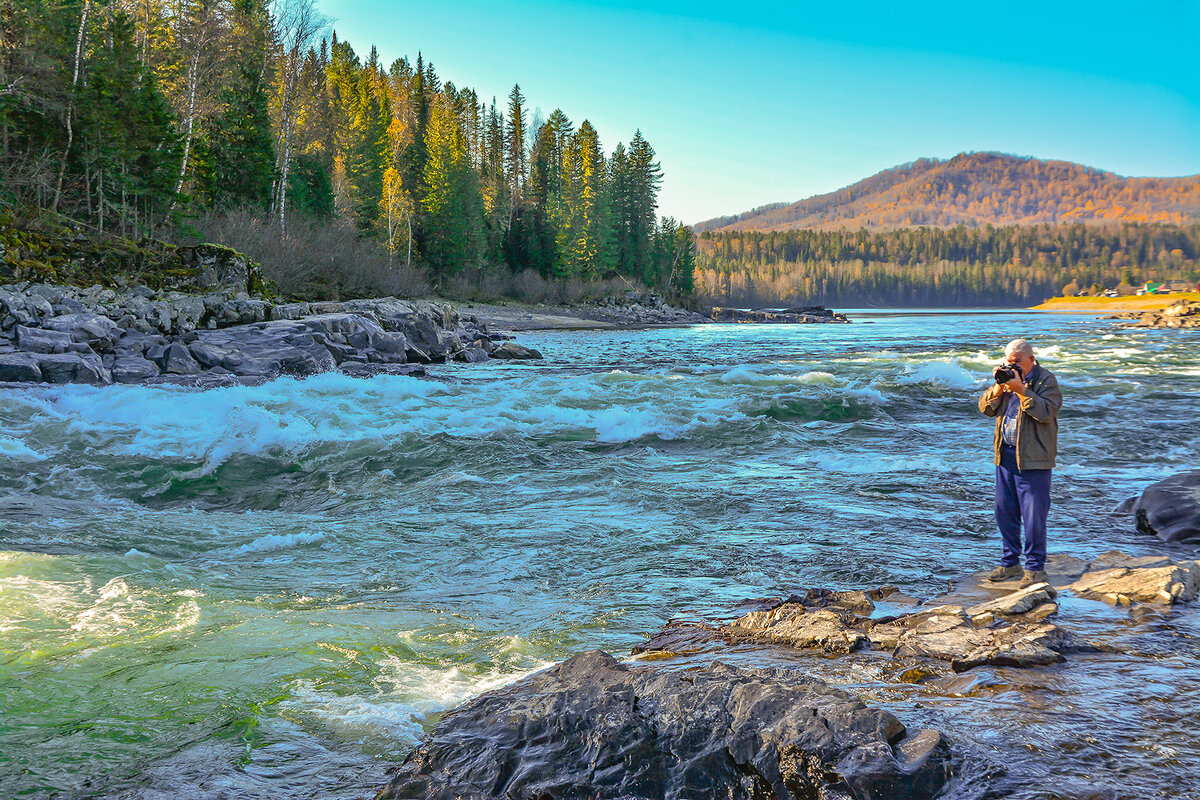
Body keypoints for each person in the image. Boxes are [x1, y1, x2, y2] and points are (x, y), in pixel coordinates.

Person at [977, 339, 1062, 588]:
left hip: (1034, 459)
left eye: (1017, 362)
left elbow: (1047, 412)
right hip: (1005, 456)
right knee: (1005, 512)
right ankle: (1010, 563)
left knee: (1034, 516)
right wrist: (998, 389)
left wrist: (1022, 390)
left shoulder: (1046, 380)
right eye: (1008, 361)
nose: (1012, 366)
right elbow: (985, 409)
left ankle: (1035, 569)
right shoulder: (1005, 379)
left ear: (1031, 360)